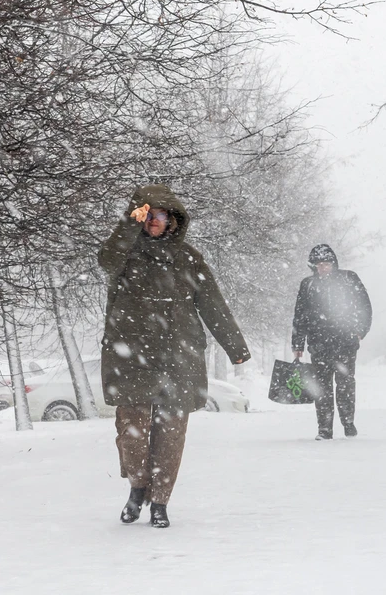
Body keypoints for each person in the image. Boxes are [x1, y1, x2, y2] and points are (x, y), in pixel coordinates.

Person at [98, 184, 250, 528]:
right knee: (131, 432)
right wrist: (127, 224)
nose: (155, 222)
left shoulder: (187, 258)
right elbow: (106, 260)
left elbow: (212, 302)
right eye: (148, 215)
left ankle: (160, 502)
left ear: (173, 219)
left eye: (161, 215)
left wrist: (235, 347)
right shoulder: (125, 253)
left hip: (177, 355)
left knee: (171, 434)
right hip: (131, 356)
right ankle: (138, 487)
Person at [291, 244, 372, 440]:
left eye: (326, 264)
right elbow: (300, 315)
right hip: (318, 344)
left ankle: (348, 422)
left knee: (345, 384)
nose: (323, 268)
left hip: (345, 342)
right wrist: (297, 344)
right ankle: (324, 429)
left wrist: (359, 331)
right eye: (319, 265)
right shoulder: (308, 284)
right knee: (322, 387)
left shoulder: (348, 278)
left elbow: (364, 306)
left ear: (333, 263)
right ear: (313, 266)